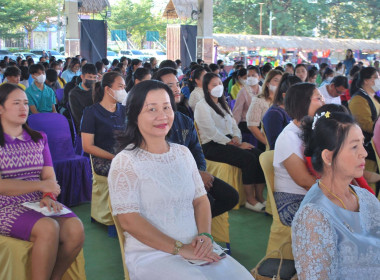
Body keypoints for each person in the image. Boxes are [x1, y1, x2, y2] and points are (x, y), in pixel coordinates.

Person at [108, 80, 253, 279]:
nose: (162, 116)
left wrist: (205, 235)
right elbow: (129, 221)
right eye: (152, 109)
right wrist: (180, 248)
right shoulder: (125, 162)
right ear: (134, 115)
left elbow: (200, 200)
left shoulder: (182, 153)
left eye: (167, 107)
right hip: (152, 254)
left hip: (195, 247)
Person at [0, 83, 84, 280]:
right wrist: (40, 186)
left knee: (75, 228)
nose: (24, 108)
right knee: (48, 227)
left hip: (37, 201)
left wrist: (47, 195)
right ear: (1, 108)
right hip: (4, 205)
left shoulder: (38, 138)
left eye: (26, 103)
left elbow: (48, 175)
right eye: (16, 103)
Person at [292, 109, 380, 279]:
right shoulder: (313, 217)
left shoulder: (364, 197)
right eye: (354, 146)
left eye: (362, 144)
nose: (364, 153)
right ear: (328, 156)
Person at [155, 67, 239, 217]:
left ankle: (191, 224)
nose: (176, 89)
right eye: (169, 86)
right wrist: (195, 175)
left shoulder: (184, 119)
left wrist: (200, 170)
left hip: (192, 172)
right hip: (170, 179)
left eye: (177, 84)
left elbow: (196, 150)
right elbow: (162, 161)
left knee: (230, 196)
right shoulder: (155, 121)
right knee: (207, 203)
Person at [195, 72, 266, 212]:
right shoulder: (201, 106)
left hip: (229, 141)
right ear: (206, 88)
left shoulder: (224, 104)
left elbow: (234, 125)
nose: (218, 87)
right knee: (248, 159)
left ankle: (260, 196)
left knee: (259, 155)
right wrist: (236, 144)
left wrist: (237, 137)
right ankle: (250, 200)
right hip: (212, 145)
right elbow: (211, 132)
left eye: (220, 84)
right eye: (214, 85)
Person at [273, 82, 324, 226]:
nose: (324, 103)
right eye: (318, 98)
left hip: (314, 194)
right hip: (292, 200)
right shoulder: (288, 137)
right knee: (338, 220)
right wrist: (335, 194)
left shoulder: (314, 129)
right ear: (303, 103)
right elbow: (305, 181)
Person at [81, 72, 127, 176]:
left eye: (124, 87)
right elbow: (87, 146)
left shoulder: (124, 111)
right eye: (120, 87)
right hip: (104, 161)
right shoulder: (91, 112)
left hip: (124, 158)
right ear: (107, 89)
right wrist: (114, 158)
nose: (123, 91)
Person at [348, 67, 380, 162]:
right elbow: (366, 125)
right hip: (368, 149)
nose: (379, 80)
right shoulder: (359, 100)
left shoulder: (374, 97)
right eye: (376, 77)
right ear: (366, 80)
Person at [262, 74, 301, 150]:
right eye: (299, 95)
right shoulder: (274, 114)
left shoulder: (293, 110)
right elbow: (277, 146)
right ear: (285, 95)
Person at [246, 69, 282, 149]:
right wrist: (268, 143)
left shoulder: (283, 100)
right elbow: (252, 126)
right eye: (276, 80)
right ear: (267, 84)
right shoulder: (259, 100)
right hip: (268, 143)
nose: (279, 84)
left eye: (281, 81)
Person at [68, 63, 97, 132]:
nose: (92, 80)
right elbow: (79, 117)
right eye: (89, 77)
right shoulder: (74, 94)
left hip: (98, 122)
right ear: (82, 77)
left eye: (94, 77)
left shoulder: (97, 90)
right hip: (83, 126)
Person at [232, 66, 261, 135]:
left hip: (260, 123)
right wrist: (234, 130)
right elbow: (237, 112)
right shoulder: (243, 92)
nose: (250, 78)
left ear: (259, 77)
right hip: (246, 124)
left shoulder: (263, 91)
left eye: (253, 75)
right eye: (248, 76)